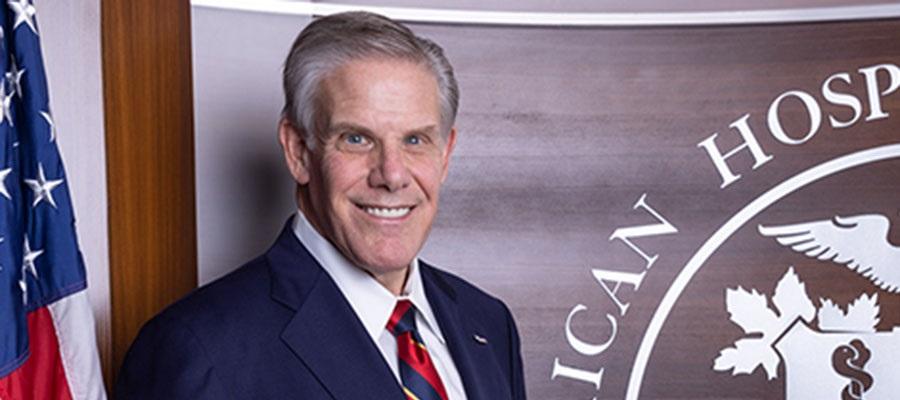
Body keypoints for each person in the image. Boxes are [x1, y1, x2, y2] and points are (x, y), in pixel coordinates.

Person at [115, 11, 526, 400]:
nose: (392, 174)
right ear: (298, 151)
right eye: (356, 139)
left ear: (446, 154)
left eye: (415, 140)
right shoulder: (200, 350)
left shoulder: (487, 322)